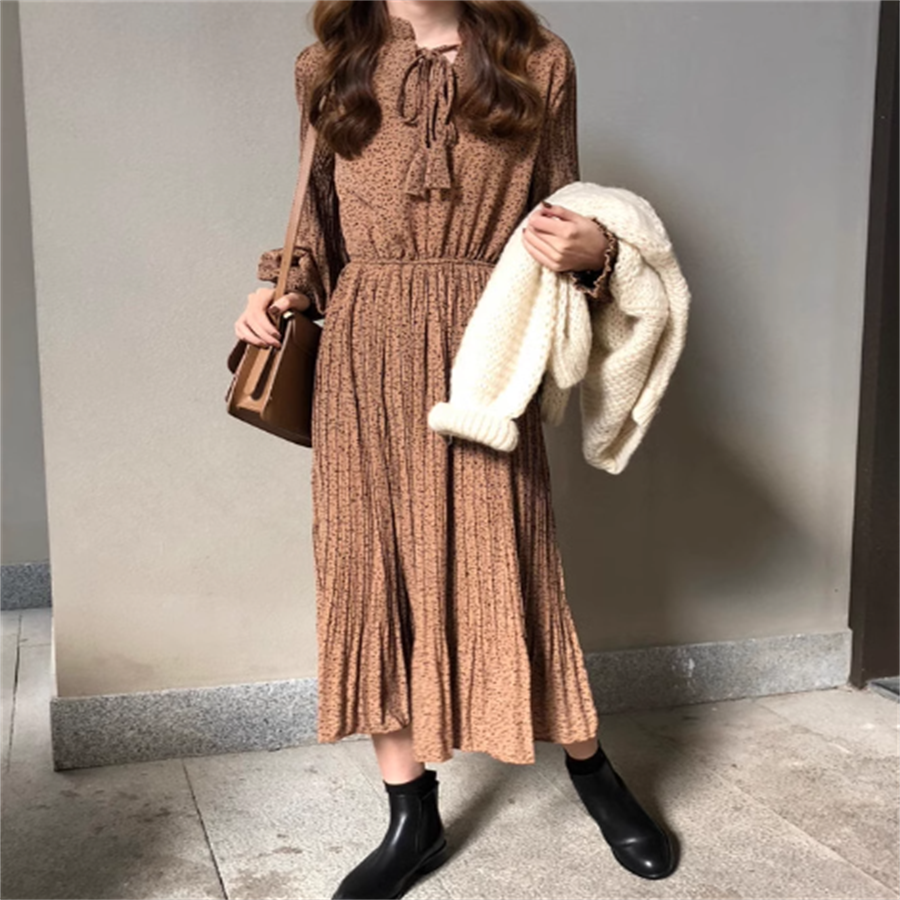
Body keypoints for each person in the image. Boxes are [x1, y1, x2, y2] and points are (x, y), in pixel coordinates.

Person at [234, 1, 675, 897]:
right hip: (363, 351)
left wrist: (594, 249)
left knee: (510, 561)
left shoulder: (537, 60)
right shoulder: (327, 64)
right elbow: (316, 224)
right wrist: (279, 294)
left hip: (489, 347)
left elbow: (564, 209)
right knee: (369, 570)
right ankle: (412, 815)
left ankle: (592, 772)